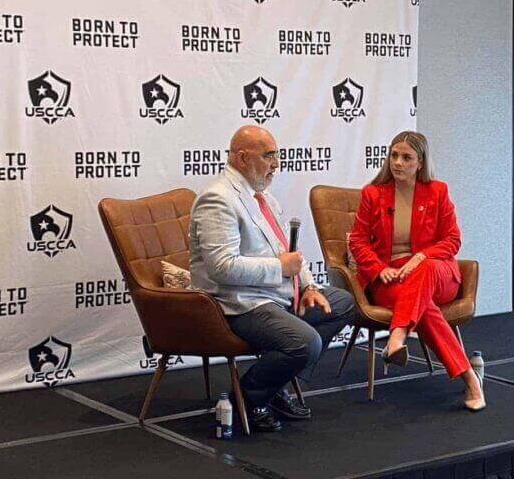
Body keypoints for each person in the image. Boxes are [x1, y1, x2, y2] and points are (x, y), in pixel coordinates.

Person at [189, 125, 354, 432]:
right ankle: (247, 399)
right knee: (305, 342)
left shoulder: (261, 196)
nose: (276, 164)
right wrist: (280, 268)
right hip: (238, 304)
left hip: (275, 295)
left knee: (342, 302)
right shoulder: (218, 199)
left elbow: (287, 251)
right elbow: (221, 267)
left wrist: (308, 286)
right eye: (268, 156)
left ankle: (274, 385)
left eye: (276, 155)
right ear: (242, 158)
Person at [348, 131, 486, 411]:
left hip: (437, 272)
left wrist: (422, 256)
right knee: (425, 309)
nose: (398, 162)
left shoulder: (437, 191)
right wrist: (378, 268)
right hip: (392, 277)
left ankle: (397, 336)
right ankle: (470, 378)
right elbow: (358, 241)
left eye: (406, 158)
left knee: (425, 270)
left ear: (420, 162)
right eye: (394, 155)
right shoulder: (373, 193)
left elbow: (453, 240)